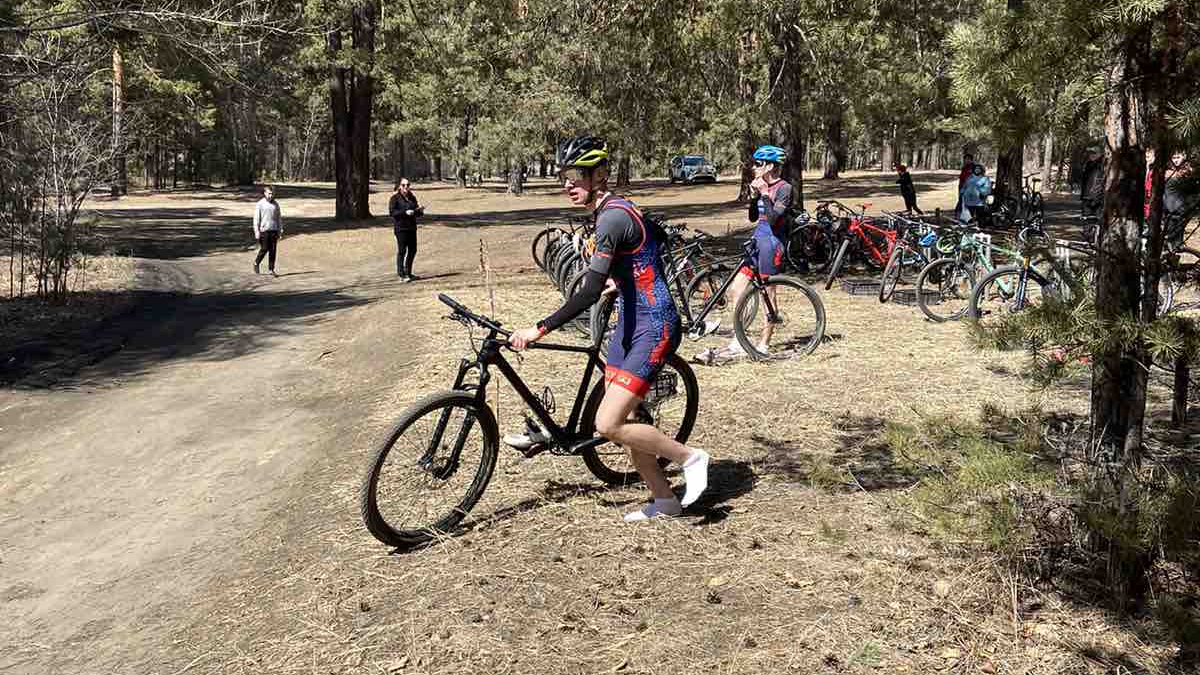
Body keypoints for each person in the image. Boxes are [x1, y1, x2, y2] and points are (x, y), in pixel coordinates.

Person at [507, 135, 710, 522]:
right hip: (630, 322)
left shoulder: (613, 216)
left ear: (599, 175)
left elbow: (586, 294)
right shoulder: (612, 212)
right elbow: (656, 237)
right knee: (629, 419)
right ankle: (665, 501)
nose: (569, 184)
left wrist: (539, 329)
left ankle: (691, 458)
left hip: (655, 324)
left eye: (577, 176)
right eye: (565, 176)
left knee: (608, 423)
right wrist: (629, 277)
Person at [694, 144, 792, 363]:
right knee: (736, 288)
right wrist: (754, 196)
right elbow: (753, 218)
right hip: (757, 240)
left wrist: (765, 194)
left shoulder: (784, 188)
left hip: (772, 244)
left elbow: (775, 219)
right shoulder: (761, 186)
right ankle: (739, 339)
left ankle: (764, 344)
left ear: (769, 166)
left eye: (758, 164)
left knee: (769, 296)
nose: (754, 168)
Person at [388, 178, 423, 281]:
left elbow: (417, 211)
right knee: (402, 251)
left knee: (413, 250)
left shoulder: (412, 197)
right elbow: (392, 212)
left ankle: (408, 272)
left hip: (412, 228)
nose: (406, 187)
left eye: (408, 185)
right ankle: (401, 274)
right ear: (399, 186)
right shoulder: (395, 198)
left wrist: (418, 211)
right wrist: (405, 212)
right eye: (403, 185)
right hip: (401, 228)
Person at [253, 185, 282, 276]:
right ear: (265, 193)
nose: (271, 195)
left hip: (273, 230)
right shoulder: (260, 204)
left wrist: (280, 230)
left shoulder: (276, 204)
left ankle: (271, 269)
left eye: (272, 194)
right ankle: (256, 262)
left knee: (273, 250)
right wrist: (256, 231)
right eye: (269, 193)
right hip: (264, 230)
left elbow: (279, 218)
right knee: (264, 248)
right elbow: (256, 218)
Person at [1080, 146, 1105, 219]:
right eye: (1090, 153)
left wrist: (1098, 196)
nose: (1091, 155)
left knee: (1097, 220)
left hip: (1097, 198)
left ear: (1099, 154)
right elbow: (1085, 180)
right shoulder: (1088, 164)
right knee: (1086, 220)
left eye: (1093, 153)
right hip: (1086, 197)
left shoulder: (1102, 164)